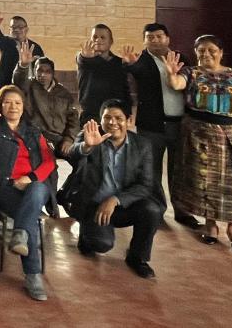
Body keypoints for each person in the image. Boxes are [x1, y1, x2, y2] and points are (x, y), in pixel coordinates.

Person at [162, 35, 232, 252]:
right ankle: (211, 226)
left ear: (221, 52)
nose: (206, 54)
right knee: (205, 182)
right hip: (199, 135)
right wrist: (171, 74)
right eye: (201, 50)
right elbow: (176, 84)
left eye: (211, 50)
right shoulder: (191, 73)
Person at [0, 86, 57, 301]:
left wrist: (29, 178)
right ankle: (32, 275)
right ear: (1, 105)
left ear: (23, 107)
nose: (13, 106)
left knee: (39, 188)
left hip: (29, 188)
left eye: (18, 103)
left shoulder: (33, 131)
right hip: (1, 190)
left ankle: (19, 233)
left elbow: (49, 162)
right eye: (8, 102)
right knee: (28, 218)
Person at [65, 99, 161, 279]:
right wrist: (87, 146)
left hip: (121, 205)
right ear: (100, 120)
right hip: (93, 204)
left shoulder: (143, 145)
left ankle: (137, 257)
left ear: (129, 121)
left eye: (118, 118)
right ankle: (86, 235)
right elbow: (72, 156)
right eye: (107, 117)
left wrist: (115, 200)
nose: (112, 122)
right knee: (102, 245)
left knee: (152, 210)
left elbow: (146, 185)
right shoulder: (90, 137)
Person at [121, 24, 199, 228]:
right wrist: (129, 65)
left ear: (168, 38)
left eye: (159, 36)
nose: (155, 40)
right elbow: (135, 70)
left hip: (180, 124)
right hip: (151, 126)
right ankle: (156, 210)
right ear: (145, 41)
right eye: (150, 37)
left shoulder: (180, 58)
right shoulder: (141, 60)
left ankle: (182, 212)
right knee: (151, 170)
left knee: (179, 170)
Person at [13, 44, 80, 158]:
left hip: (59, 139)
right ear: (34, 71)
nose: (43, 75)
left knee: (81, 157)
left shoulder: (63, 93)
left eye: (47, 71)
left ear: (53, 73)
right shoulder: (28, 87)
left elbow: (73, 119)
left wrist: (69, 139)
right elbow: (18, 81)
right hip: (35, 137)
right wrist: (23, 66)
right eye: (39, 71)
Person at [76, 24, 131, 125]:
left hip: (114, 114)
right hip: (90, 114)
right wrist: (84, 56)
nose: (98, 40)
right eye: (95, 37)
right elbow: (82, 59)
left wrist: (128, 111)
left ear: (111, 42)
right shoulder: (85, 60)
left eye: (102, 37)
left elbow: (125, 89)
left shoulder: (119, 62)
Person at [0, 10, 44, 89]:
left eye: (20, 27)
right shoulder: (6, 42)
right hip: (4, 86)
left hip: (26, 88)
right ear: (10, 29)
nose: (17, 30)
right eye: (13, 27)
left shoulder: (34, 47)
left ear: (26, 29)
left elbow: (41, 66)